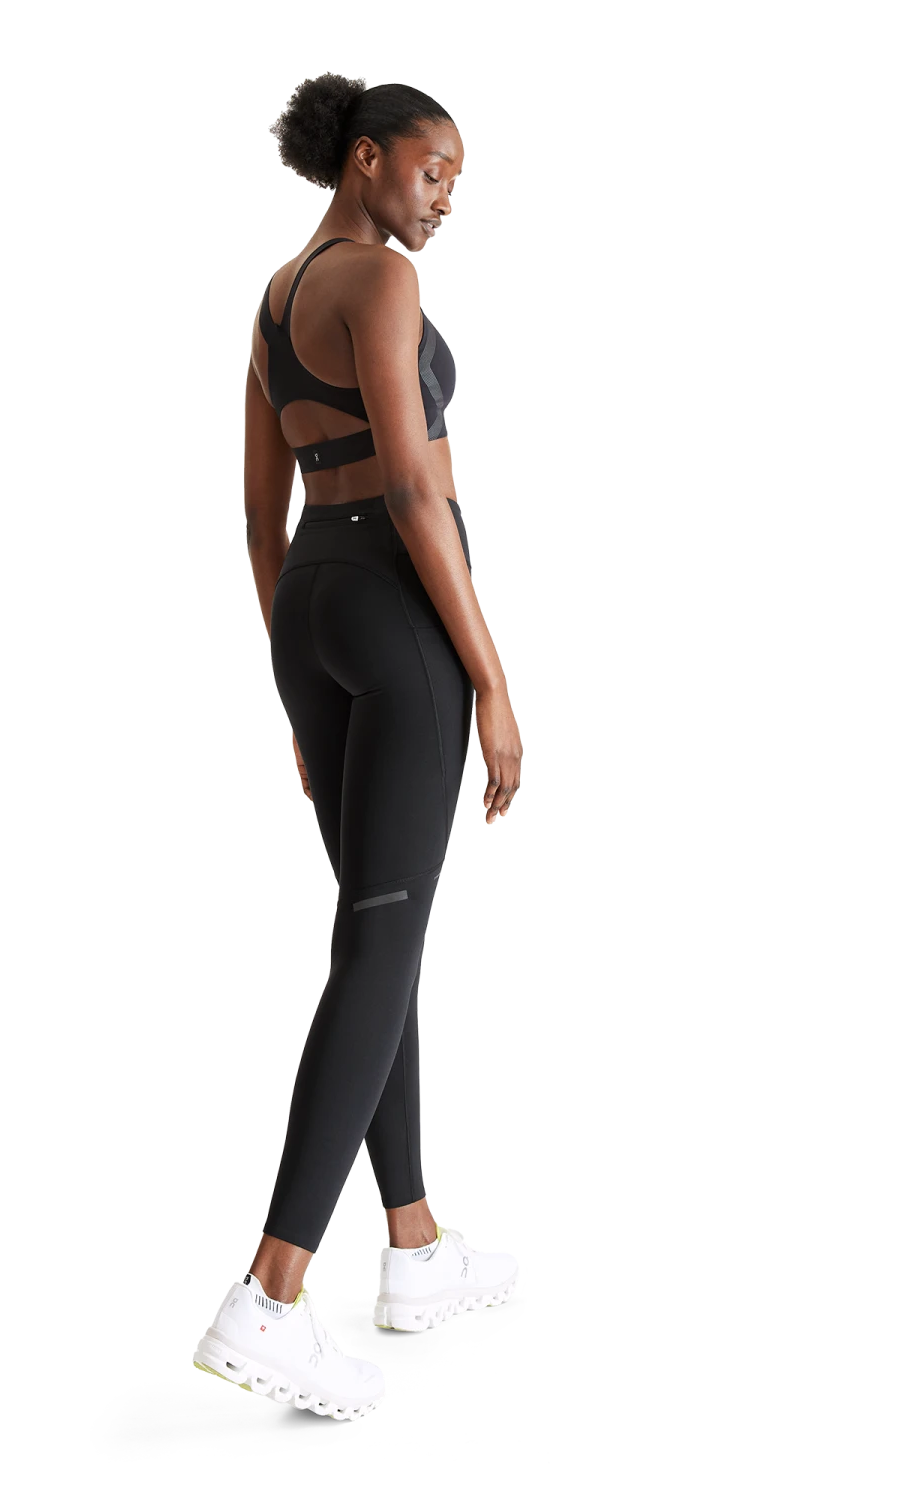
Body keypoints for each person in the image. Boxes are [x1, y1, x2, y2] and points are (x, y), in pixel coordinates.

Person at [190, 76, 523, 1423]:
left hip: (316, 607)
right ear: (368, 159)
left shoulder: (279, 293)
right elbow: (416, 483)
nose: (444, 201)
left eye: (456, 182)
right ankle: (269, 1301)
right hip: (393, 606)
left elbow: (261, 506)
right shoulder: (380, 279)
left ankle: (415, 1247)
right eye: (433, 172)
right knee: (383, 946)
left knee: (374, 929)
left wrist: (294, 673)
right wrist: (489, 680)